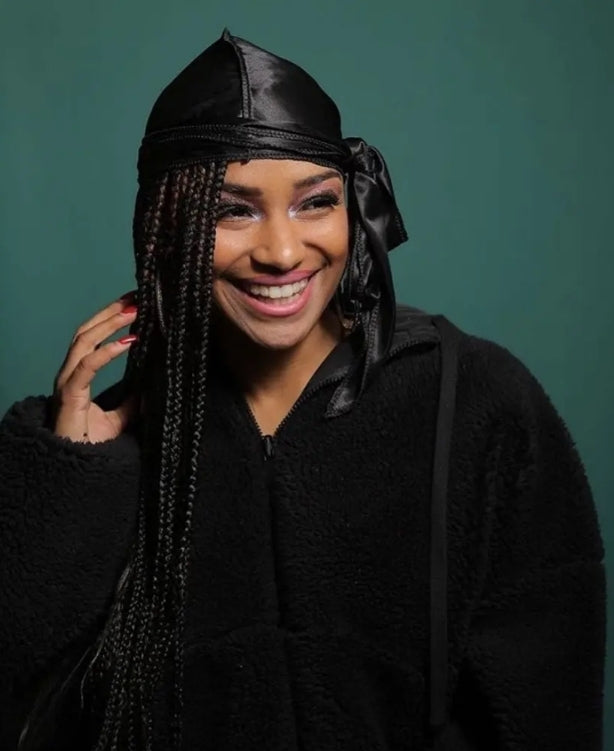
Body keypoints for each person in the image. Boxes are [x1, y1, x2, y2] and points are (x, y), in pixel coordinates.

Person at [0, 29, 606, 751]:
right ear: (167, 229)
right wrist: (74, 481)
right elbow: (29, 689)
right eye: (233, 210)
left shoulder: (476, 399)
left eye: (315, 203)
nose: (283, 252)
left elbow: (546, 705)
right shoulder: (116, 436)